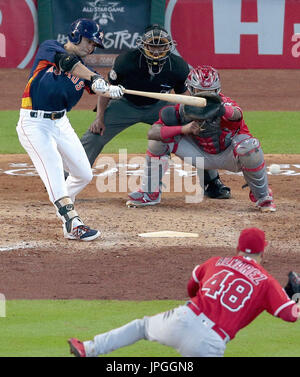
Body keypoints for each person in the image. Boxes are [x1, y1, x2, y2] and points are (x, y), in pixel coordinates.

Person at [67, 227, 300, 357]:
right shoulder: (267, 282)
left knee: (141, 327)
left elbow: (192, 287)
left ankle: (89, 349)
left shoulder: (216, 262)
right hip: (210, 342)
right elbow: (290, 315)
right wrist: (294, 297)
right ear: (263, 253)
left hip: (183, 318)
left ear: (238, 248)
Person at [80, 24, 230, 200]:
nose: (157, 50)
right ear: (143, 46)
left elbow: (183, 98)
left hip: (160, 105)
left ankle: (211, 181)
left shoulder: (178, 66)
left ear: (169, 46)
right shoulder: (126, 61)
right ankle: (68, 178)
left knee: (198, 131)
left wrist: (192, 121)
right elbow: (107, 90)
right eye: (153, 45)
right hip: (125, 104)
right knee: (94, 135)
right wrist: (100, 118)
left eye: (161, 46)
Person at [16, 18, 124, 241]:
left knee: (83, 173)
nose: (91, 47)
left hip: (61, 123)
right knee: (54, 165)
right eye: (89, 41)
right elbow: (67, 63)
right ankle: (72, 221)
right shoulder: (50, 48)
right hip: (34, 123)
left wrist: (111, 91)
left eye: (94, 44)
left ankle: (61, 201)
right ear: (75, 35)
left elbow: (96, 85)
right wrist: (94, 78)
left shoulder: (87, 70)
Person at [126, 65, 276, 212]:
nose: (205, 96)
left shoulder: (226, 104)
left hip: (229, 155)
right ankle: (149, 193)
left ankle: (262, 197)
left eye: (210, 92)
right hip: (198, 154)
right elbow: (152, 133)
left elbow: (237, 114)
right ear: (191, 89)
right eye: (200, 91)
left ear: (218, 90)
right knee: (157, 142)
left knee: (250, 147)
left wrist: (221, 109)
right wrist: (184, 129)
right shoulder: (183, 108)